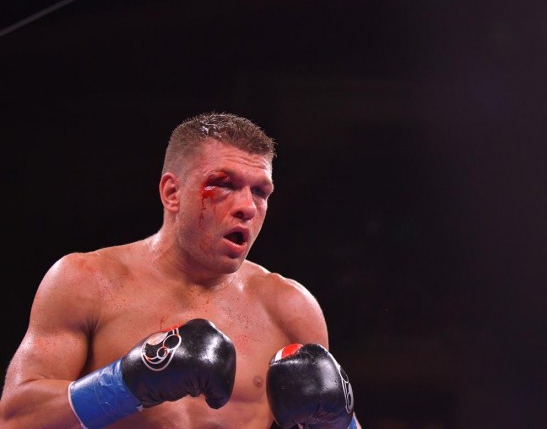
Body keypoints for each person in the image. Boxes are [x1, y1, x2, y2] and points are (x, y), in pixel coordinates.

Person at [0, 111, 360, 429]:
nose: (247, 207)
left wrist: (339, 423)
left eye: (260, 192)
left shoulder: (290, 308)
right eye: (224, 184)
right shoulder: (87, 281)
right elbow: (16, 419)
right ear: (172, 192)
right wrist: (126, 383)